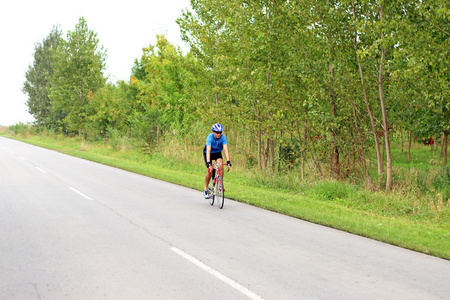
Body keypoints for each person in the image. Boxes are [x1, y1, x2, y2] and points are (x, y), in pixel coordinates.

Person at [203, 123, 231, 199]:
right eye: (217, 133)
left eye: (220, 132)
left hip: (217, 153)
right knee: (210, 169)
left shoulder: (223, 137)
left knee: (220, 165)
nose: (219, 134)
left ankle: (220, 186)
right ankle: (205, 189)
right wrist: (209, 163)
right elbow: (208, 150)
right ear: (213, 132)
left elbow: (225, 149)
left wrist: (228, 161)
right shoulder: (210, 137)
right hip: (208, 153)